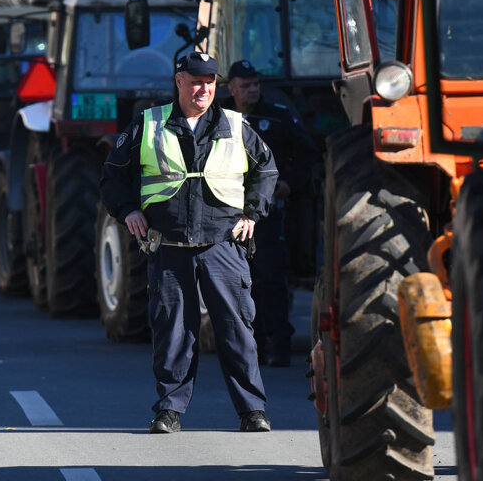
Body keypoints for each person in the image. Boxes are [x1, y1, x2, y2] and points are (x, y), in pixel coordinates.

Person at [100, 51, 278, 434]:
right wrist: (128, 209)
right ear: (178, 81)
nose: (203, 89)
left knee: (236, 330)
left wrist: (252, 213)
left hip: (222, 245)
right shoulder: (148, 124)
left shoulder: (235, 124)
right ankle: (169, 411)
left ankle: (252, 411)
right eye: (196, 81)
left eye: (210, 82)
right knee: (173, 331)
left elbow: (267, 169)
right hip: (169, 245)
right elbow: (113, 175)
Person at [222, 60, 319, 367]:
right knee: (234, 279)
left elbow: (307, 152)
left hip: (264, 212)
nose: (252, 90)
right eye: (245, 85)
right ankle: (248, 344)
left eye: (256, 84)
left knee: (269, 277)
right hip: (224, 213)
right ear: (232, 88)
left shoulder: (275, 116)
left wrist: (290, 183)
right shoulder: (218, 116)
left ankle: (278, 344)